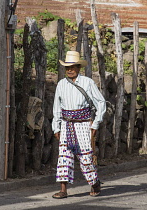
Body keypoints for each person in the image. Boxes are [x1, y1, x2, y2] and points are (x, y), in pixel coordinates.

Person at [52, 51, 106, 199]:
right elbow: (57, 107)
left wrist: (95, 124)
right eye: (67, 67)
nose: (70, 70)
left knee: (86, 157)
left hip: (83, 124)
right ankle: (63, 190)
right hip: (66, 124)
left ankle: (94, 183)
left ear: (78, 68)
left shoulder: (87, 82)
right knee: (64, 156)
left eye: (73, 67)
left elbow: (100, 102)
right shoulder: (61, 84)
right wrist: (56, 127)